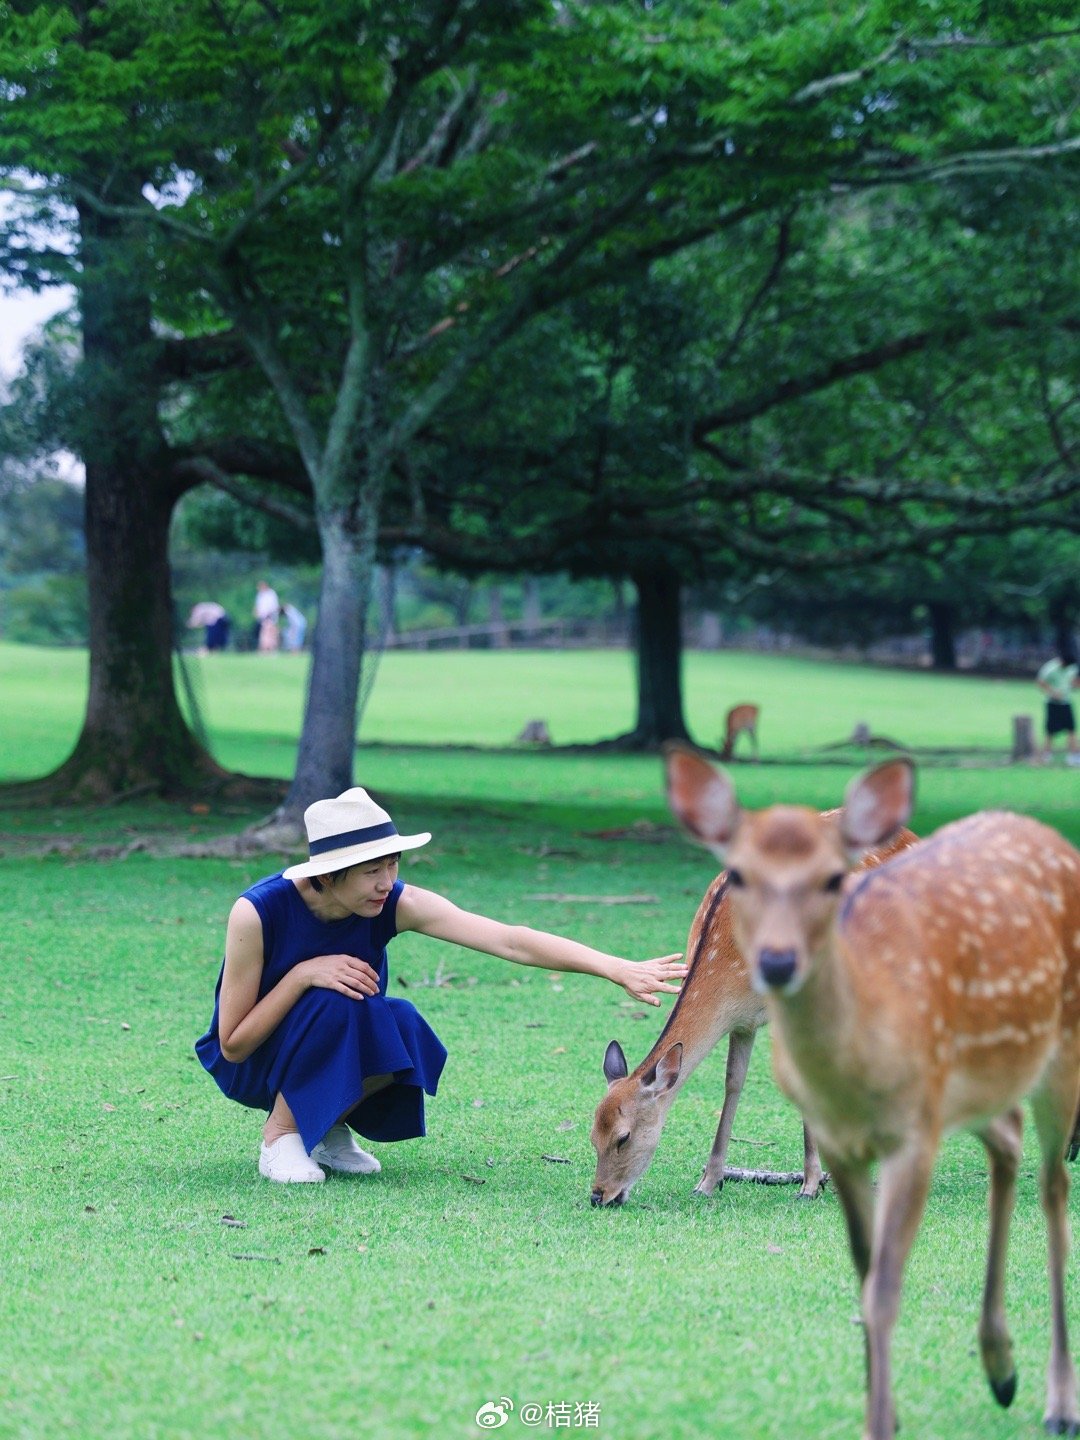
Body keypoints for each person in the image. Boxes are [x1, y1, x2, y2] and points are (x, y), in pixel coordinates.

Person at [195, 787, 688, 1183]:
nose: (387, 882)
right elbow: (234, 1045)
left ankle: (325, 1126)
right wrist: (304, 975)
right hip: (258, 1062)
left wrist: (613, 967)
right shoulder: (258, 912)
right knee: (333, 997)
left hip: (330, 1041)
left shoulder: (391, 901)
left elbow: (509, 941)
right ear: (328, 876)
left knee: (400, 1024)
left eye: (393, 865)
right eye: (372, 871)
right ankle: (281, 1134)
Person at [1036, 653, 1080, 765]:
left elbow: (1074, 682)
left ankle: (1073, 756)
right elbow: (1040, 682)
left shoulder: (1072, 667)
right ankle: (1046, 755)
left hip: (1066, 701)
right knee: (1050, 730)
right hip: (1052, 702)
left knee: (1072, 728)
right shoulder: (1051, 668)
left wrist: (1075, 685)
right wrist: (1052, 692)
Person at [253, 580, 280, 652]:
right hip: (262, 617)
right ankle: (265, 649)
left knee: (270, 634)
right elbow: (258, 606)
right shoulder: (260, 595)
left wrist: (268, 615)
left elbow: (274, 606)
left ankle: (271, 649)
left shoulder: (271, 594)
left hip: (270, 617)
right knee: (264, 634)